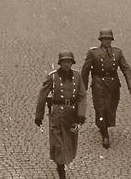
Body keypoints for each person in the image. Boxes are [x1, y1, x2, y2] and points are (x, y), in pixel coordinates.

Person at [81, 29, 131, 149]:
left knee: (111, 107)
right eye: (104, 39)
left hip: (113, 84)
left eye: (109, 39)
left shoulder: (118, 53)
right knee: (101, 107)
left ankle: (103, 125)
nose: (107, 41)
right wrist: (83, 87)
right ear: (100, 40)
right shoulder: (93, 53)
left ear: (111, 40)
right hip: (98, 82)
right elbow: (85, 70)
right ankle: (105, 135)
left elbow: (125, 69)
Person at [35, 51, 86, 179]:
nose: (67, 64)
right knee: (58, 141)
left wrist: (81, 114)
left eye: (69, 62)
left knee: (70, 140)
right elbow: (42, 96)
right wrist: (39, 115)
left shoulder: (77, 76)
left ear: (72, 63)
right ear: (60, 63)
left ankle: (62, 161)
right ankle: (60, 166)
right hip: (57, 113)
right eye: (64, 62)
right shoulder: (52, 77)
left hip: (72, 114)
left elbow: (82, 96)